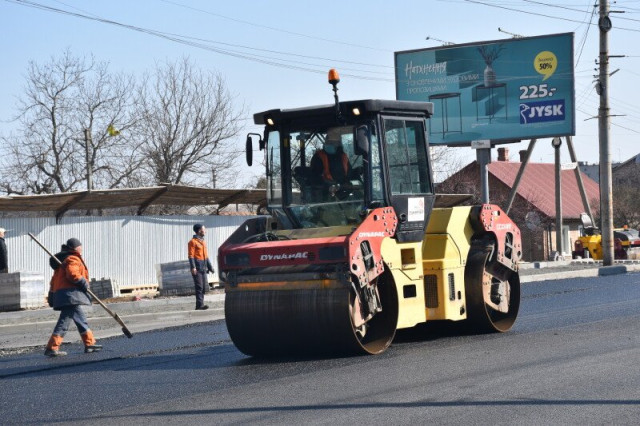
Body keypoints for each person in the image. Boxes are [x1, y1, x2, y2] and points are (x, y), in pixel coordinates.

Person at [44, 238, 102, 357]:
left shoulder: (62, 262)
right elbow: (73, 274)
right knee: (64, 322)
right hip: (70, 295)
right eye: (80, 247)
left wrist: (52, 294)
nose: (81, 249)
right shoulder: (72, 258)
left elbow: (53, 281)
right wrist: (84, 283)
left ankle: (90, 343)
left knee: (81, 319)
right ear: (76, 248)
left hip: (66, 295)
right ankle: (52, 347)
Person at [188, 224, 214, 310]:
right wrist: (193, 267)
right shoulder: (192, 242)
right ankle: (200, 305)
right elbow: (191, 256)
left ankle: (199, 305)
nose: (205, 231)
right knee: (199, 287)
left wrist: (210, 267)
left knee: (203, 288)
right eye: (204, 229)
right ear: (199, 230)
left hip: (203, 267)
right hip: (197, 267)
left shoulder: (203, 242)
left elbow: (206, 256)